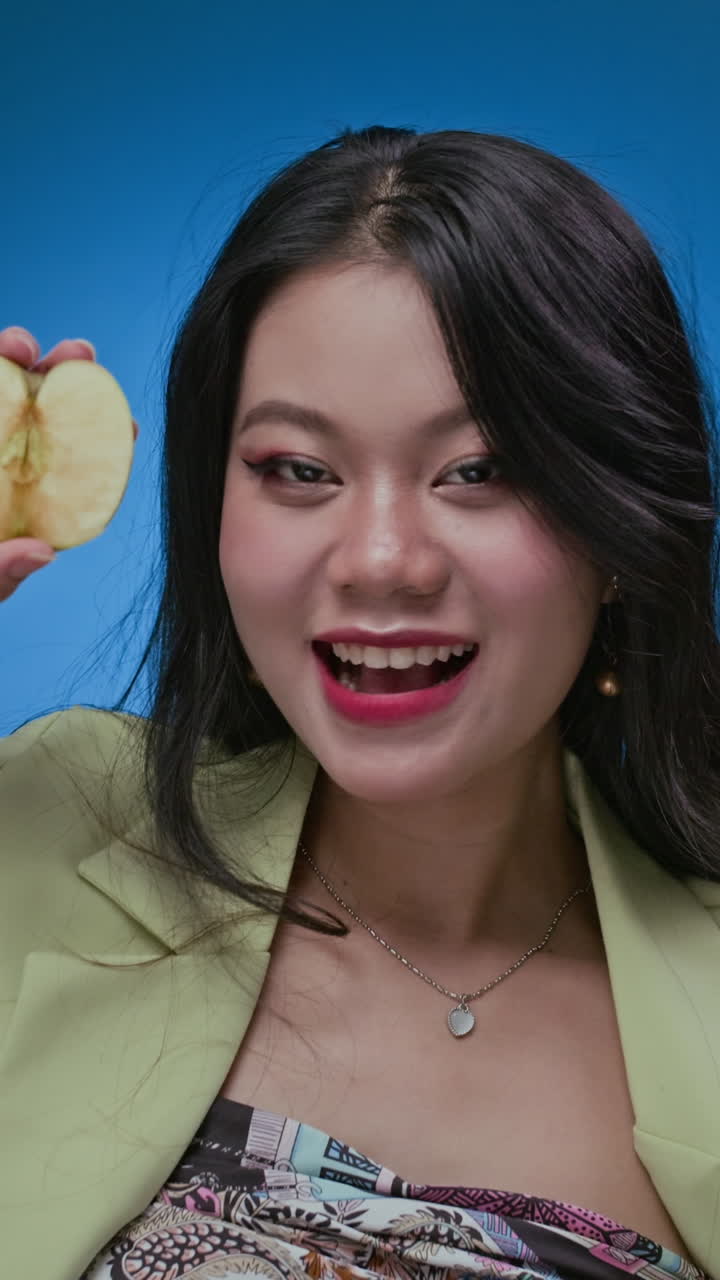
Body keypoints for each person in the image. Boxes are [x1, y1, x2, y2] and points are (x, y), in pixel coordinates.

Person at [1, 126, 719, 1280]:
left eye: (478, 470)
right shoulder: (48, 822)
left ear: (621, 514)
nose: (382, 558)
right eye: (299, 469)